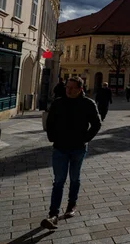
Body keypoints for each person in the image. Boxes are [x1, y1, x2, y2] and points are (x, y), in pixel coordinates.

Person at [41, 76, 101, 230]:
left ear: (80, 89)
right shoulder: (58, 103)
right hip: (60, 147)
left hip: (78, 148)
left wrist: (85, 139)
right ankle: (53, 214)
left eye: (72, 88)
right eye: (67, 87)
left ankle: (71, 204)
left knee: (74, 178)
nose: (68, 90)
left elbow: (97, 123)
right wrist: (52, 137)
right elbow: (50, 122)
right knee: (59, 181)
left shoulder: (88, 104)